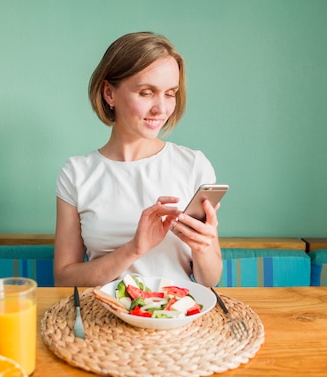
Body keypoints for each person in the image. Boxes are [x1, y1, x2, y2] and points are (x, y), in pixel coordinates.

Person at [54, 32, 222, 287]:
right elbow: (64, 279)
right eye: (146, 92)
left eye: (170, 93)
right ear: (109, 93)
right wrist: (134, 248)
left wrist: (203, 246)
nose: (161, 109)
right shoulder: (76, 174)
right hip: (104, 320)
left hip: (177, 318)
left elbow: (210, 280)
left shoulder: (194, 166)